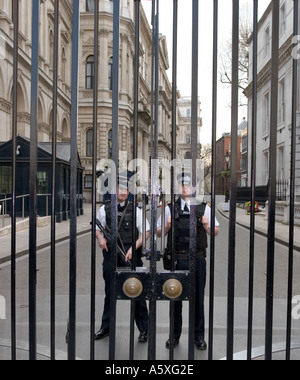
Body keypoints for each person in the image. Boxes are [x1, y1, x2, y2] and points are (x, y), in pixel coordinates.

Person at [157, 173, 220, 351]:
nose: (185, 188)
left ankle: (198, 336)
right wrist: (167, 225)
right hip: (177, 260)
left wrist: (207, 226)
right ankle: (174, 335)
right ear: (178, 187)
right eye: (182, 184)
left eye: (188, 184)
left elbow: (215, 232)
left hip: (197, 259)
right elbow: (159, 233)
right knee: (174, 298)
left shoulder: (203, 207)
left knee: (197, 300)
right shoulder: (170, 208)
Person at [95, 172, 150, 343]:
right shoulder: (104, 209)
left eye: (127, 189)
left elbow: (146, 232)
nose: (124, 192)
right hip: (111, 256)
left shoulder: (136, 210)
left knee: (137, 292)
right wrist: (101, 238)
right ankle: (106, 327)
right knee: (110, 292)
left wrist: (134, 248)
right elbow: (98, 228)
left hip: (131, 255)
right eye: (121, 188)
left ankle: (144, 330)